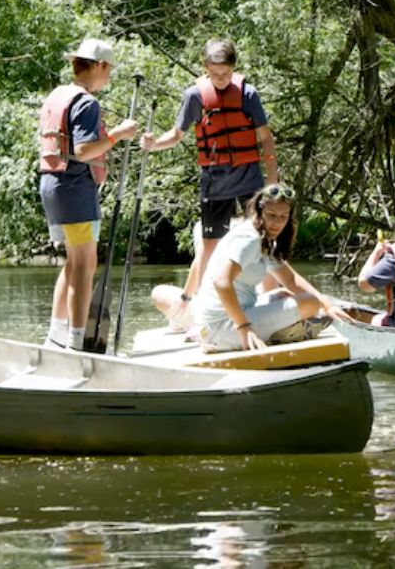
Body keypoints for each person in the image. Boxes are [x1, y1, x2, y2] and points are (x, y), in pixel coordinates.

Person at [141, 38, 278, 321]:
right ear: (205, 68)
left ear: (234, 69)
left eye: (226, 74)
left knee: (262, 240)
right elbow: (177, 135)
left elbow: (265, 138)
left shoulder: (247, 94)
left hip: (249, 179)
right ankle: (200, 309)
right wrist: (154, 144)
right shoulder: (195, 96)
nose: (221, 79)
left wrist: (272, 183)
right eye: (215, 74)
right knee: (210, 245)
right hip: (215, 183)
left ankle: (270, 300)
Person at [40, 38, 139, 349]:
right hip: (74, 188)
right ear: (98, 66)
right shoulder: (86, 103)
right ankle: (75, 342)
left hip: (52, 185)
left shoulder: (58, 94)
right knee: (85, 265)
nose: (109, 76)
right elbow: (83, 151)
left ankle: (55, 337)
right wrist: (118, 135)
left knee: (73, 262)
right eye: (109, 69)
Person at [192, 183, 351, 352]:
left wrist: (328, 306)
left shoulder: (262, 238)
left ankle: (283, 330)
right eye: (272, 215)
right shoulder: (249, 239)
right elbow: (222, 282)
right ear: (259, 212)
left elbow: (291, 280)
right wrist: (244, 327)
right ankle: (278, 335)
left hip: (228, 319)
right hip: (220, 329)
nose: (278, 223)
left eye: (284, 217)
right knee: (310, 303)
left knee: (283, 294)